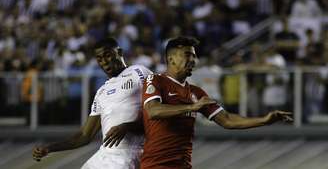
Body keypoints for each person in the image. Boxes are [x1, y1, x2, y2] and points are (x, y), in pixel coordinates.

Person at [140, 36, 292, 169]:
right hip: (155, 165)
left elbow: (227, 120)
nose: (193, 60)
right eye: (188, 55)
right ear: (171, 58)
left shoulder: (196, 92)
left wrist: (264, 120)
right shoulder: (155, 80)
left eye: (194, 56)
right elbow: (154, 111)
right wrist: (192, 107)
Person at [32, 37, 152, 169]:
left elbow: (155, 112)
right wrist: (49, 149)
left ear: (119, 52)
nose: (104, 62)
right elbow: (85, 135)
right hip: (104, 155)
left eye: (107, 55)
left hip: (128, 155)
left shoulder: (139, 72)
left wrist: (127, 126)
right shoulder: (101, 92)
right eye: (99, 59)